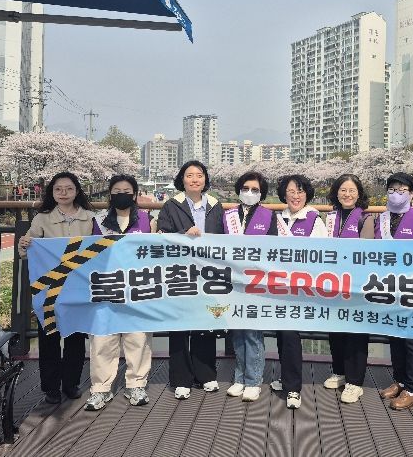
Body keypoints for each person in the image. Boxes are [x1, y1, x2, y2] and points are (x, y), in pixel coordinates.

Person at [18, 172, 94, 404]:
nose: (63, 193)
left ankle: (71, 383)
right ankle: (50, 387)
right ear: (52, 192)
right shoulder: (42, 219)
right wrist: (25, 243)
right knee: (49, 336)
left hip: (79, 287)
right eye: (58, 189)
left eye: (69, 188)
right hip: (49, 288)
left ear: (77, 191)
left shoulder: (90, 218)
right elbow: (26, 251)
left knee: (75, 337)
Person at [84, 174, 154, 411]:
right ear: (110, 194)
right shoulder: (98, 220)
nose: (121, 195)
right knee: (103, 338)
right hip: (106, 285)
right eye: (116, 191)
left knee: (138, 337)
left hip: (137, 287)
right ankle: (101, 388)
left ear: (134, 195)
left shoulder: (147, 220)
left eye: (126, 191)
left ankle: (136, 384)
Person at [157, 160, 224, 400]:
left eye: (199, 175)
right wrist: (183, 235)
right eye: (189, 175)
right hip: (179, 272)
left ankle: (206, 374)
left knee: (205, 323)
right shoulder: (171, 205)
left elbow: (224, 238)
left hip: (207, 273)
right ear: (182, 180)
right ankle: (180, 379)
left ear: (205, 179)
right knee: (179, 325)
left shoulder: (215, 205)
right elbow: (162, 236)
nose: (195, 179)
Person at [270, 174, 327, 409]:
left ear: (307, 195)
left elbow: (322, 255)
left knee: (291, 334)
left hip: (302, 289)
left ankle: (293, 388)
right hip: (278, 286)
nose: (296, 196)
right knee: (282, 334)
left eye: (300, 191)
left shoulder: (315, 221)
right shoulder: (277, 219)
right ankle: (286, 378)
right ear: (284, 194)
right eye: (291, 191)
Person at [376, 172, 413, 411]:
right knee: (395, 336)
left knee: (412, 339)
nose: (396, 194)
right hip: (388, 286)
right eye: (392, 189)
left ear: (412, 194)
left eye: (402, 190)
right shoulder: (381, 219)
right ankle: (399, 380)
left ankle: (412, 388)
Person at [223, 171, 279, 402]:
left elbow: (273, 248)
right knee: (237, 331)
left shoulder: (269, 216)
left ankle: (253, 380)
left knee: (253, 333)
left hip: (257, 281)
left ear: (261, 193)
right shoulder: (228, 215)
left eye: (255, 190)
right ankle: (239, 378)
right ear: (239, 190)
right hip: (232, 280)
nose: (249, 192)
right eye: (246, 188)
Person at [323, 174, 374, 404]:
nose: (347, 194)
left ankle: (355, 381)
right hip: (333, 284)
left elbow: (366, 254)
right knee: (336, 329)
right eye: (343, 190)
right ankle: (339, 371)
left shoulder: (365, 218)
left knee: (356, 332)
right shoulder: (330, 217)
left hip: (356, 285)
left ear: (359, 194)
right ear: (336, 193)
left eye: (352, 190)